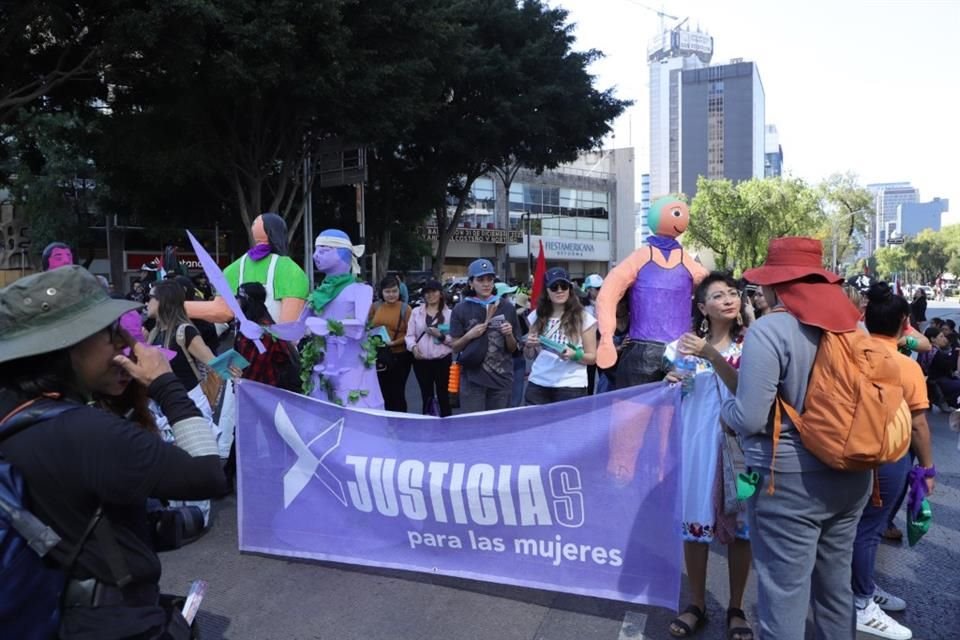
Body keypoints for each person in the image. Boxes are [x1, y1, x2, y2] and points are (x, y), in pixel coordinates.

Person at [0, 266, 226, 637]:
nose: (124, 342)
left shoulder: (18, 416)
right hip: (117, 624)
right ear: (66, 345)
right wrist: (165, 385)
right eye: (109, 333)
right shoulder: (88, 434)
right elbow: (207, 474)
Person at [720, 237, 872, 640]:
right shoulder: (853, 326)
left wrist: (724, 412)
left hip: (788, 481)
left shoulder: (771, 330)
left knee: (784, 594)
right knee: (835, 589)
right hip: (854, 472)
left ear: (777, 284)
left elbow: (750, 416)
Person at [663, 273, 752, 640]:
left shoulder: (755, 346)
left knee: (743, 529)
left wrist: (711, 354)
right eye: (718, 295)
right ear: (703, 307)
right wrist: (669, 383)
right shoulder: (679, 348)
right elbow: (676, 401)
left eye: (733, 293)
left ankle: (736, 607)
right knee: (694, 527)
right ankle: (696, 603)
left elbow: (743, 390)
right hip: (696, 450)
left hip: (743, 453)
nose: (729, 299)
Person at [851, 283, 935, 640]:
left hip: (851, 452)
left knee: (857, 527)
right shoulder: (905, 365)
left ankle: (863, 588)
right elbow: (918, 424)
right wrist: (928, 470)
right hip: (888, 455)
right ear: (904, 321)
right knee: (868, 530)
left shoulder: (853, 351)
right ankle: (860, 601)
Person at [186, 213, 309, 325]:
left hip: (254, 347)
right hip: (265, 346)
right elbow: (288, 327)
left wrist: (178, 307)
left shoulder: (235, 268)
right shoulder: (291, 270)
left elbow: (222, 311)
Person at [449, 258, 521, 412]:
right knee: (474, 427)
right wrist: (469, 335)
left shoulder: (507, 307)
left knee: (499, 428)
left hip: (502, 380)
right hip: (472, 380)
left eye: (490, 279)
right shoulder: (460, 309)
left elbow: (514, 348)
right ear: (471, 283)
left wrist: (509, 335)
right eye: (480, 279)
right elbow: (454, 347)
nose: (486, 283)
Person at [146, 280, 220, 431]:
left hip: (189, 407)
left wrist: (235, 371)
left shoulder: (184, 332)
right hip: (162, 409)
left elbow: (215, 363)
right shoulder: (155, 333)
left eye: (150, 297)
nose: (146, 302)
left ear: (163, 300)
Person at [522, 268, 597, 405]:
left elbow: (592, 358)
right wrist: (529, 345)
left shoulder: (584, 318)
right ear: (547, 291)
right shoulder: (536, 316)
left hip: (571, 386)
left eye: (564, 286)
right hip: (539, 383)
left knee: (568, 427)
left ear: (570, 289)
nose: (559, 290)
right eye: (554, 287)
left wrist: (575, 355)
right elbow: (529, 355)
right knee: (536, 426)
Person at [405, 279, 453, 416]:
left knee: (444, 395)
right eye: (427, 292)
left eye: (434, 292)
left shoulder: (449, 314)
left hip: (442, 360)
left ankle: (447, 426)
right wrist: (413, 348)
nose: (430, 295)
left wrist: (441, 336)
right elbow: (409, 335)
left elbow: (455, 340)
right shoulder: (416, 312)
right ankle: (427, 425)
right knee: (426, 395)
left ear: (441, 294)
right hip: (421, 360)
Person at [369, 275, 412, 412]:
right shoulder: (375, 307)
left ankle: (401, 423)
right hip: (380, 355)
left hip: (400, 356)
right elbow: (368, 327)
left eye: (394, 291)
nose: (391, 295)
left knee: (398, 392)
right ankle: (386, 425)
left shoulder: (406, 309)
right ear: (381, 292)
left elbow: (411, 333)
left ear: (399, 291)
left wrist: (394, 343)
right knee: (382, 391)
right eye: (387, 292)